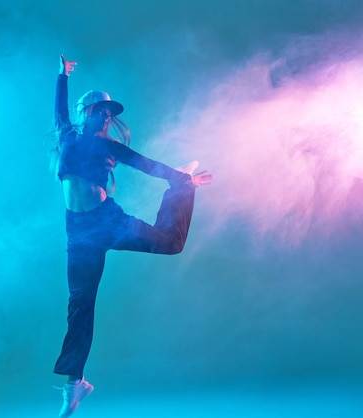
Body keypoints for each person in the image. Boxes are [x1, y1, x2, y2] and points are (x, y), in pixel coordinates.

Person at [52, 54, 212, 418]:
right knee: (79, 306)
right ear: (86, 111)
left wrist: (182, 180)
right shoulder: (66, 136)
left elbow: (145, 164)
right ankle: (75, 385)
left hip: (109, 221)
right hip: (79, 233)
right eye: (99, 110)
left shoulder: (110, 146)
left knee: (171, 243)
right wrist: (61, 76)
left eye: (109, 113)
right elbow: (59, 110)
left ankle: (181, 189)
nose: (106, 116)